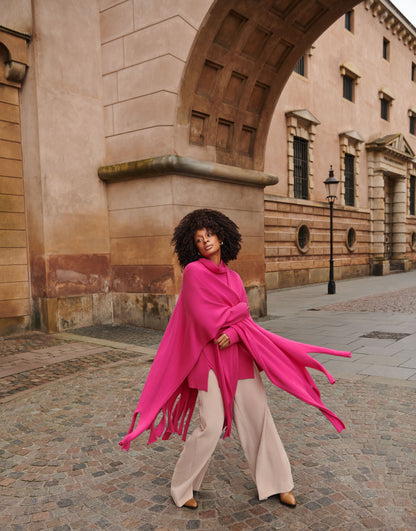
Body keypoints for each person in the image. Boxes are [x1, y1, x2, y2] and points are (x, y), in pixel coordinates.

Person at [119, 209, 350, 510]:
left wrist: (238, 331)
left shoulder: (235, 277)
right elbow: (204, 319)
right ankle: (182, 487)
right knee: (211, 425)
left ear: (221, 235)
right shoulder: (193, 273)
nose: (205, 242)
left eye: (210, 235)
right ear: (193, 246)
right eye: (199, 239)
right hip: (208, 358)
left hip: (239, 355)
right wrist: (237, 314)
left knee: (258, 417)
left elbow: (246, 320)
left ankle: (280, 483)